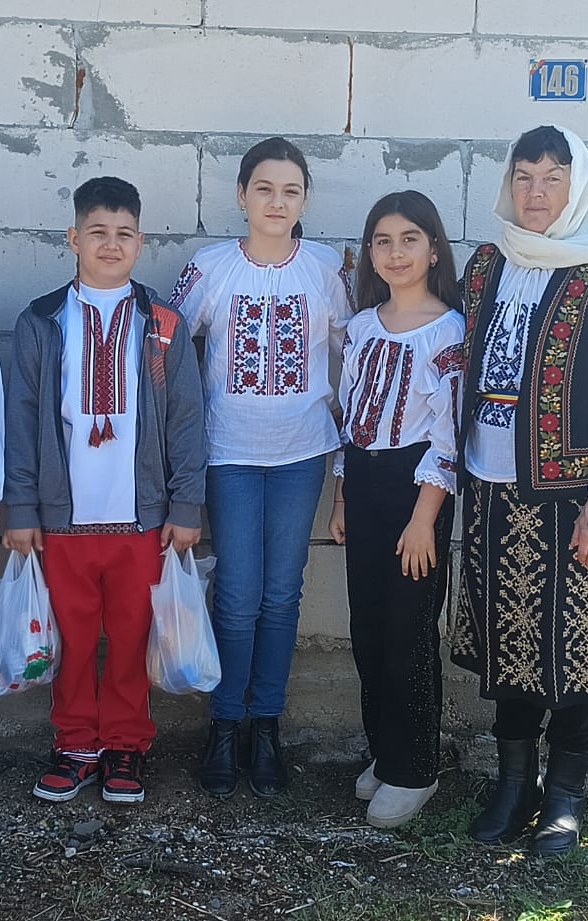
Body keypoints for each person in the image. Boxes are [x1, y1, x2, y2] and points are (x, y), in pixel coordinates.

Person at [451, 124, 588, 857]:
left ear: (578, 188)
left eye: (552, 178)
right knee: (510, 641)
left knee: (579, 645)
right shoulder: (487, 264)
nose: (535, 192)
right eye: (524, 176)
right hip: (492, 490)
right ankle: (513, 783)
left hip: (577, 495)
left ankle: (565, 794)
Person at [4, 177, 207, 806]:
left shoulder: (163, 324)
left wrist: (185, 504)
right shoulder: (42, 321)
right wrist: (21, 507)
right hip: (63, 520)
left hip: (140, 519)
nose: (110, 244)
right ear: (73, 238)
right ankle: (73, 744)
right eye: (97, 232)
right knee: (68, 637)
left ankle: (124, 744)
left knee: (130, 637)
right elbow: (21, 416)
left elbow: (187, 419)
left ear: (141, 243)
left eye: (124, 234)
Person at [170, 138, 352, 798]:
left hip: (302, 455)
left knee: (283, 593)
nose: (278, 202)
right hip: (230, 456)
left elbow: (354, 365)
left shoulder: (326, 270)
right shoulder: (210, 267)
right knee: (238, 592)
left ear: (305, 200)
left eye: (291, 191)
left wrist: (345, 470)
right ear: (242, 195)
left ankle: (266, 726)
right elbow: (169, 351)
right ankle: (224, 725)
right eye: (265, 189)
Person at [327, 191, 466, 828]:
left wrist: (423, 518)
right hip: (365, 482)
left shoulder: (450, 331)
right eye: (382, 241)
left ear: (434, 250)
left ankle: (416, 768)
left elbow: (448, 434)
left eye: (410, 239)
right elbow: (352, 415)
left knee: (408, 630)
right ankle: (385, 751)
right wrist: (343, 496)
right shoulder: (362, 326)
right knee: (369, 627)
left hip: (417, 490)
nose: (396, 252)